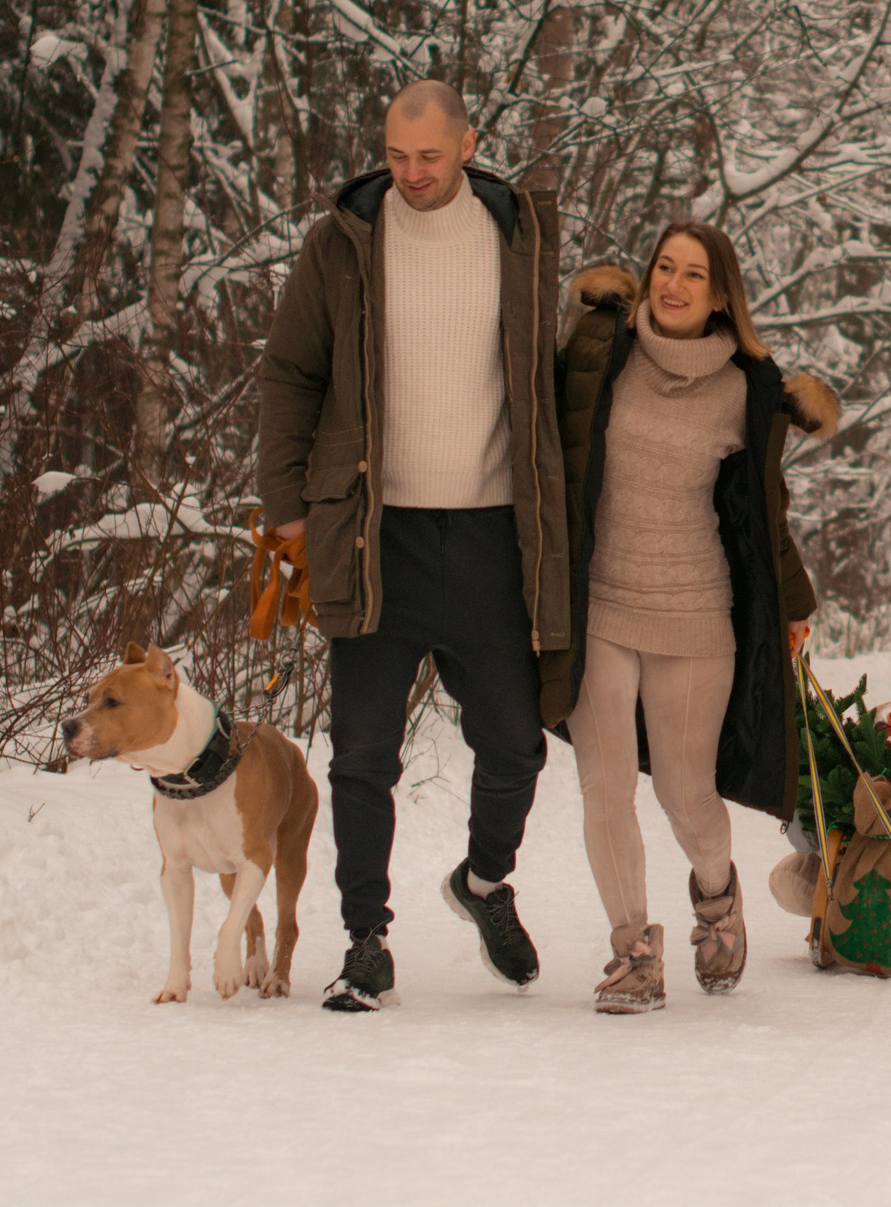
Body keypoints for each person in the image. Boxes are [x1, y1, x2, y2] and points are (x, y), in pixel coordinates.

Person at [257, 80, 568, 1012]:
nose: (412, 173)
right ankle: (365, 939)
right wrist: (286, 508)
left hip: (487, 534)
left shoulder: (520, 236)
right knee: (361, 755)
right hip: (372, 533)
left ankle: (483, 884)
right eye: (396, 156)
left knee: (515, 744)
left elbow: (545, 378)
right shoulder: (343, 243)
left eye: (429, 155)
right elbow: (290, 372)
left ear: (468, 143)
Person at [549, 223, 835, 1013]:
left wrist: (792, 604)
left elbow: (759, 511)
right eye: (664, 268)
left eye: (694, 274)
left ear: (720, 295)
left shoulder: (746, 390)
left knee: (685, 793)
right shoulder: (602, 354)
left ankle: (717, 898)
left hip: (695, 610)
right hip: (600, 603)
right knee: (603, 786)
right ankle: (634, 950)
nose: (674, 284)